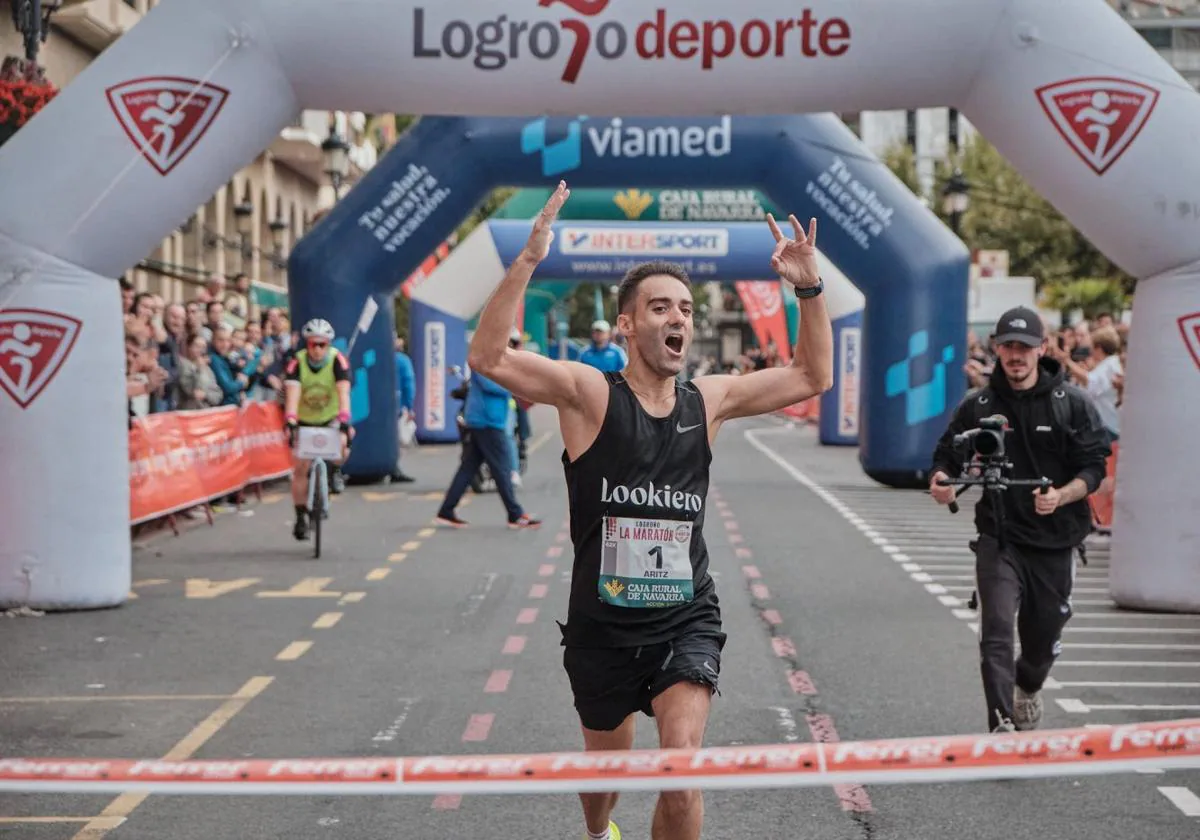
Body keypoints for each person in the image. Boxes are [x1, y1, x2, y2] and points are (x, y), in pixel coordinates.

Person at [465, 182, 832, 840]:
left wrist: (808, 288)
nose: (678, 320)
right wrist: (527, 261)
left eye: (685, 309)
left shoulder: (708, 400)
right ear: (628, 324)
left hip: (683, 617)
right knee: (603, 784)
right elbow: (489, 357)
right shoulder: (587, 394)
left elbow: (811, 377)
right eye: (659, 307)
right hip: (602, 625)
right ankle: (600, 831)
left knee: (680, 771)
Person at [928, 306, 1111, 734]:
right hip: (999, 537)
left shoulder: (1072, 403)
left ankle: (1026, 687)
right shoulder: (981, 404)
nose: (1016, 355)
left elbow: (1094, 468)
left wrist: (1062, 495)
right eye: (1008, 346)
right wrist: (943, 482)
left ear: (1042, 349)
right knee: (995, 630)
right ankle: (1001, 724)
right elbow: (945, 455)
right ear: (996, 348)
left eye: (1025, 347)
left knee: (1040, 645)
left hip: (1055, 540)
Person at [434, 346, 541, 530]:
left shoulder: (492, 358)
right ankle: (515, 514)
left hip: (485, 419)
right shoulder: (483, 359)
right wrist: (515, 385)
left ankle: (446, 510)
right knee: (501, 468)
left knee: (468, 468)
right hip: (487, 421)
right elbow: (490, 384)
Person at [283, 318, 354, 541]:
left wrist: (344, 419)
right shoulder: (297, 362)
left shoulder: (337, 360)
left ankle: (334, 473)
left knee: (343, 445)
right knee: (301, 466)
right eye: (313, 344)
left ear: (329, 345)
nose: (317, 350)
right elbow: (292, 394)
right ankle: (301, 517)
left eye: (322, 345)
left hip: (330, 415)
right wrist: (291, 420)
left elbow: (343, 392)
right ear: (307, 344)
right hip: (305, 417)